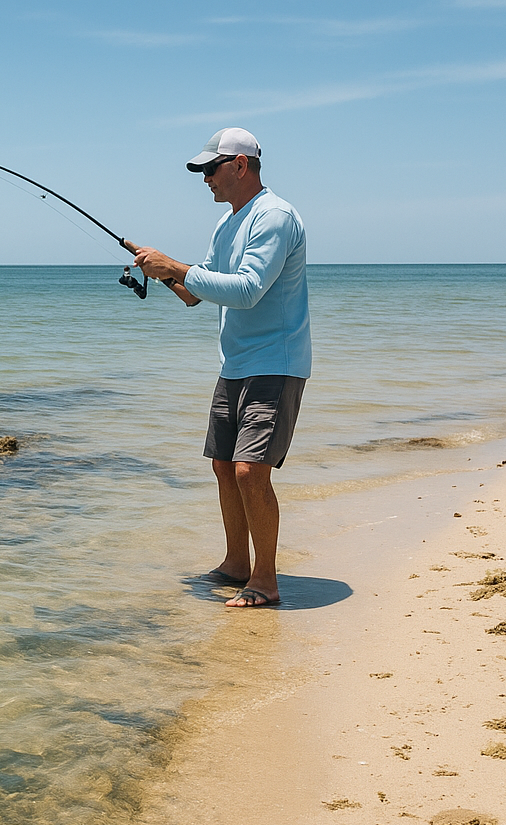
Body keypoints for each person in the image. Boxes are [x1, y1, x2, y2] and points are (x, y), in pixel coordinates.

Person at [131, 127, 310, 609]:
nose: (204, 177)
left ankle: (265, 581)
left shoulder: (274, 217)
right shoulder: (227, 222)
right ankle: (235, 564)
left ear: (240, 166)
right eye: (201, 170)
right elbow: (197, 292)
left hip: (277, 361)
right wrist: (167, 273)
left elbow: (249, 289)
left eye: (210, 168)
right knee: (223, 466)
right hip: (235, 363)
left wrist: (178, 265)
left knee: (251, 470)